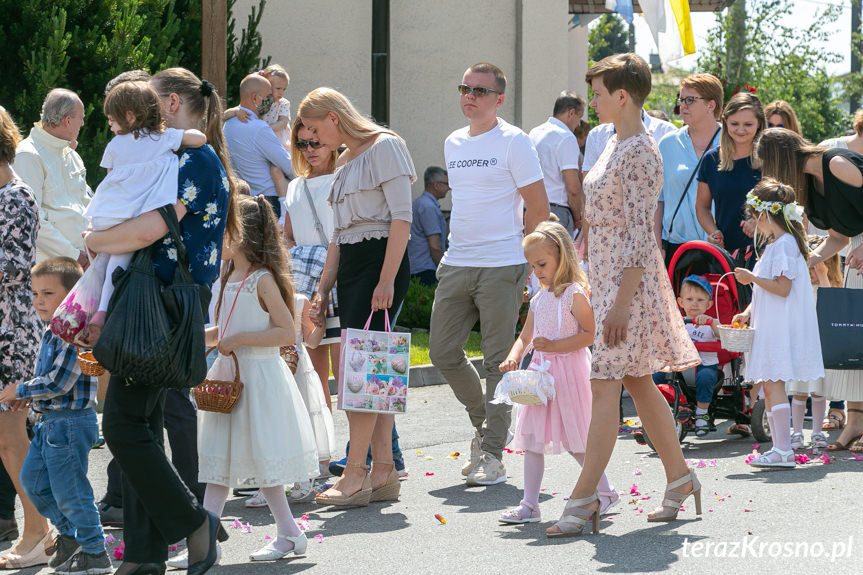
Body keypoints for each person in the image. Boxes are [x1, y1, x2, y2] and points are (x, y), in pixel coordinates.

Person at [85, 67, 236, 575]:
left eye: (151, 104)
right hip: (163, 297)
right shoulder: (182, 153)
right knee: (143, 423)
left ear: (171, 104)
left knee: (123, 425)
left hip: (164, 300)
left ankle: (194, 522)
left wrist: (95, 240)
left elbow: (150, 228)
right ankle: (146, 556)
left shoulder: (192, 157)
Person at [548, 54, 701, 538]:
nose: (590, 101)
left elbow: (641, 234)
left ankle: (583, 497)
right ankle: (680, 478)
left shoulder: (640, 151)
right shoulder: (616, 142)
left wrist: (617, 303)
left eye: (597, 93)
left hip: (628, 289)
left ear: (622, 96)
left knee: (604, 388)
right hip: (611, 278)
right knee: (637, 383)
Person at [429, 62, 549, 487]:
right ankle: (487, 424)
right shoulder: (453, 142)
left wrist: (537, 271)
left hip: (502, 264)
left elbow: (538, 209)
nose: (470, 96)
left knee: (499, 360)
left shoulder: (515, 141)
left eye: (480, 91)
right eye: (465, 88)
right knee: (442, 351)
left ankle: (493, 453)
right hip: (458, 262)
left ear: (498, 99)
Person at [299, 87, 415, 507]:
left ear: (333, 117)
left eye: (314, 131)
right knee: (373, 370)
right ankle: (383, 469)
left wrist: (386, 280)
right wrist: (324, 286)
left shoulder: (386, 146)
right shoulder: (345, 161)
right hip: (352, 267)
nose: (312, 142)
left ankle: (355, 474)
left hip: (380, 264)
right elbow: (338, 235)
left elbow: (403, 217)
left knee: (362, 372)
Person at [191, 196, 318, 563]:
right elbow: (228, 329)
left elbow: (285, 333)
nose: (218, 238)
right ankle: (209, 543)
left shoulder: (262, 280)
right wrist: (200, 338)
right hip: (232, 375)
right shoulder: (230, 276)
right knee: (218, 463)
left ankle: (289, 533)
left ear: (243, 235)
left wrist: (240, 340)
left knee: (263, 460)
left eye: (224, 231)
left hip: (259, 378)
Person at [497, 222, 618, 525]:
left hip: (569, 373)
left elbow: (590, 335)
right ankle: (529, 504)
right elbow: (526, 337)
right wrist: (514, 357)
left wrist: (554, 344)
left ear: (562, 257)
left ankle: (606, 492)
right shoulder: (540, 298)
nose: (536, 271)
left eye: (542, 264)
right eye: (532, 265)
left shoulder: (574, 294)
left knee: (576, 439)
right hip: (541, 375)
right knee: (532, 439)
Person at [0, 258, 111, 574]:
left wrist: (21, 390)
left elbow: (60, 381)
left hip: (70, 424)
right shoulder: (51, 329)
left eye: (47, 293)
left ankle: (95, 551)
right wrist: (31, 397)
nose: (38, 301)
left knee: (72, 493)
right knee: (33, 484)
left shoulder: (73, 331)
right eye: (34, 294)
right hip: (49, 423)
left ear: (72, 294)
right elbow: (47, 378)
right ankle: (70, 536)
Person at [757, 128, 863, 453]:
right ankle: (857, 421)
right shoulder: (812, 186)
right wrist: (804, 264)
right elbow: (839, 239)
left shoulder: (835, 163)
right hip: (855, 259)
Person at [83, 80, 207, 343]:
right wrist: (180, 142)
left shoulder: (115, 146)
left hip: (104, 214)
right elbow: (200, 138)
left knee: (103, 261)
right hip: (131, 216)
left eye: (110, 119)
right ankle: (103, 309)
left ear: (129, 116)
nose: (109, 125)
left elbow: (110, 179)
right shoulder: (160, 139)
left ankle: (86, 307)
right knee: (118, 260)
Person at [733, 179, 824, 468]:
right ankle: (778, 447)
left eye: (753, 216)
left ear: (766, 214)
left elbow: (782, 288)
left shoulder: (784, 244)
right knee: (771, 387)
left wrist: (751, 278)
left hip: (779, 328)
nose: (752, 222)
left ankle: (783, 450)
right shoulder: (779, 244)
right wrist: (748, 311)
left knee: (774, 385)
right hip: (771, 323)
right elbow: (771, 289)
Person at [0, 104, 51, 570]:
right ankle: (41, 527)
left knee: (12, 437)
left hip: (10, 335)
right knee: (8, 439)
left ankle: (37, 530)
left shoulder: (17, 196)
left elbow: (13, 268)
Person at [283, 116, 341, 408]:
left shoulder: (343, 177)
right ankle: (324, 450)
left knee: (346, 373)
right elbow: (287, 237)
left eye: (315, 142)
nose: (310, 149)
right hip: (305, 282)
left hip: (340, 279)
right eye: (302, 143)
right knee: (314, 378)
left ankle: (362, 450)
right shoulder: (295, 186)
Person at [13, 89, 91, 267]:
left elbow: (87, 205)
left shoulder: (72, 155)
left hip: (86, 259)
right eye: (81, 118)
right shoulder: (27, 155)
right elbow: (33, 219)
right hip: (52, 268)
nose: (83, 123)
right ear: (68, 120)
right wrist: (72, 255)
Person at [656, 74, 723, 266]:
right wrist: (657, 243)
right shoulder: (667, 144)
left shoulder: (731, 142)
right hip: (677, 249)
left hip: (722, 247)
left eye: (690, 100)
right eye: (681, 100)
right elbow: (658, 200)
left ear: (711, 105)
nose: (682, 106)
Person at [695, 92, 764, 257]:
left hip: (765, 253)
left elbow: (788, 203)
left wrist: (760, 222)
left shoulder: (770, 158)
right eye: (734, 123)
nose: (740, 130)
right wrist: (713, 232)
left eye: (748, 124)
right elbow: (702, 207)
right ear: (725, 122)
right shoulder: (711, 160)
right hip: (726, 254)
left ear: (760, 123)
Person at [224, 74, 293, 219]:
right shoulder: (259, 128)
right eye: (268, 96)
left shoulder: (228, 124)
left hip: (243, 198)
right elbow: (287, 165)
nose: (273, 99)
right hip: (269, 201)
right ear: (255, 98)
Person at [529, 91, 586, 233]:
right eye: (579, 117)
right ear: (571, 113)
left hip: (531, 209)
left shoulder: (534, 133)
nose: (579, 124)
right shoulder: (566, 137)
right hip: (557, 213)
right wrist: (577, 217)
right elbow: (573, 188)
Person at [674, 275, 722, 438]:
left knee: (705, 378)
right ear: (681, 302)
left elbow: (722, 335)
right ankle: (663, 411)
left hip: (704, 365)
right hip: (680, 366)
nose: (694, 303)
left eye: (700, 300)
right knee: (657, 376)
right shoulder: (677, 321)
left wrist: (711, 323)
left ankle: (702, 413)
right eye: (689, 299)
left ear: (709, 304)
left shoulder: (712, 322)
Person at [226, 64, 292, 149]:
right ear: (267, 86)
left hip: (278, 141)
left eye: (284, 89)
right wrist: (236, 111)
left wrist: (264, 129)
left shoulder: (283, 103)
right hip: (260, 140)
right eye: (278, 88)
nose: (281, 93)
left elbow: (283, 122)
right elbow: (224, 115)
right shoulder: (259, 101)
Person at [407, 166, 449, 285]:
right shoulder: (428, 207)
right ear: (437, 185)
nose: (449, 188)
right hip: (425, 270)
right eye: (447, 184)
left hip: (417, 268)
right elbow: (435, 246)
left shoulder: (420, 203)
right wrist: (445, 271)